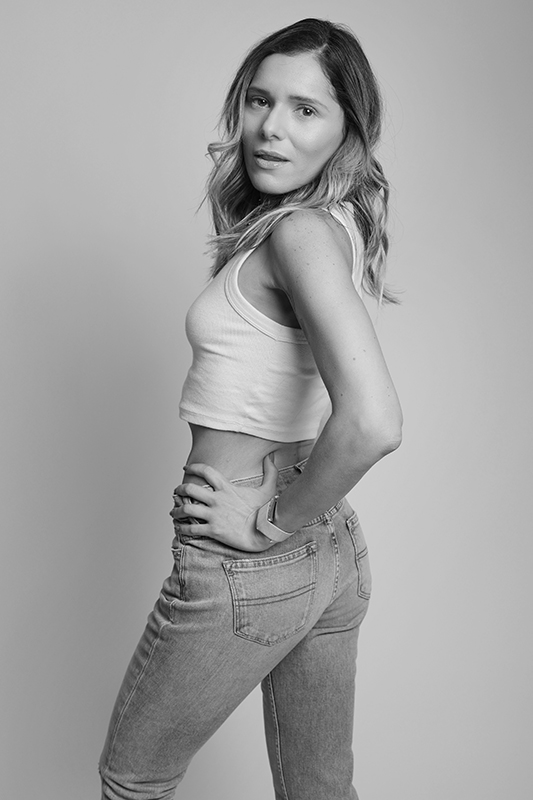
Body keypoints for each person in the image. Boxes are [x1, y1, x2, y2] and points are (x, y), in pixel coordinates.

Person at [99, 17, 402, 800]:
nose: (270, 128)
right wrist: (293, 523)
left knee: (133, 781)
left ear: (346, 130)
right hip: (329, 550)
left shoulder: (298, 233)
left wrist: (267, 525)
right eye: (260, 100)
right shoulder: (328, 226)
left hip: (253, 556)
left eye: (306, 109)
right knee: (318, 789)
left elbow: (372, 422)